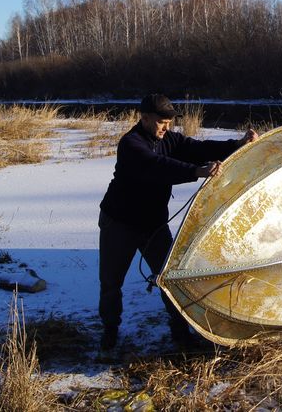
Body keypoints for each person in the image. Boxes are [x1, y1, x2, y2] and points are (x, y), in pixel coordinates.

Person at [97, 93, 258, 351]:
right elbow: (156, 165)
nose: (166, 128)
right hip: (120, 223)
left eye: (170, 123)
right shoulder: (131, 144)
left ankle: (180, 331)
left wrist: (237, 144)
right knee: (111, 282)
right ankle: (110, 331)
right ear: (146, 118)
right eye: (162, 122)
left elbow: (198, 149)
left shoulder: (169, 139)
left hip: (153, 225)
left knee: (169, 279)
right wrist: (196, 172)